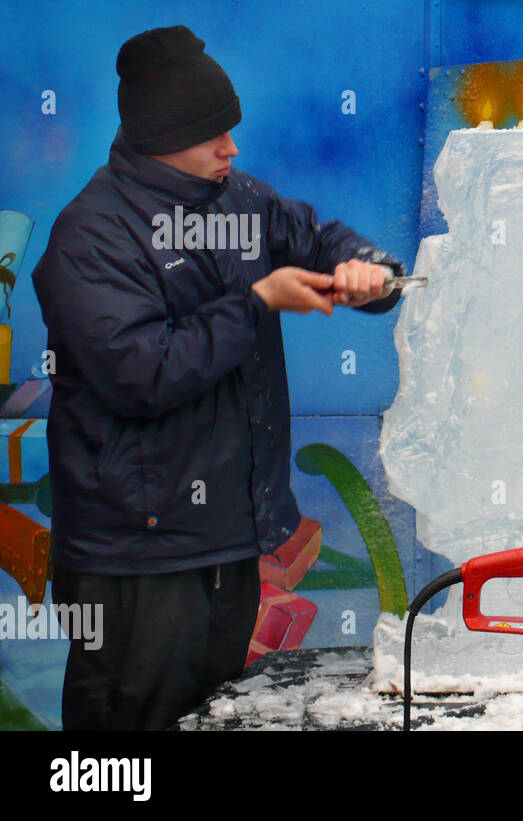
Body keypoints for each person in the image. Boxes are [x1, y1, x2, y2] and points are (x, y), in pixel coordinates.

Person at [31, 25, 405, 730]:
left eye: (230, 131)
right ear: (159, 135)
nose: (230, 149)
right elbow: (141, 373)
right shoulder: (92, 234)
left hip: (227, 547)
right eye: (212, 135)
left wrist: (370, 270)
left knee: (212, 720)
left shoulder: (240, 199)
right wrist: (259, 302)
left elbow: (318, 236)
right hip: (136, 563)